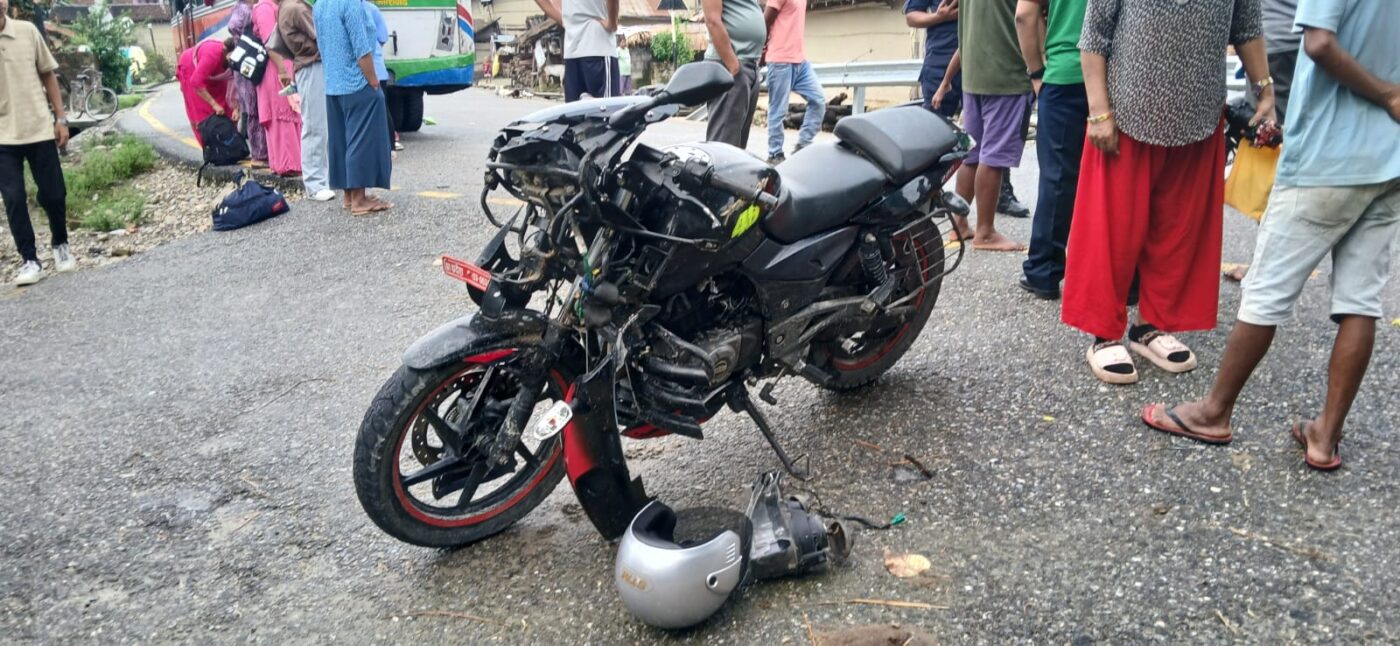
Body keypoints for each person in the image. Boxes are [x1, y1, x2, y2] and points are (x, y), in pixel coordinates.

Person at [1144, 0, 1399, 470]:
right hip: (1390, 156)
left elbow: (1318, 43)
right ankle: (1325, 436)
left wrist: (1386, 94)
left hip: (1327, 155)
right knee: (1361, 300)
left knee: (1266, 290)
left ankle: (1214, 411)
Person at [1062, 0, 1274, 385]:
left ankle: (1150, 326)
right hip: (1125, 114)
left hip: (1199, 114)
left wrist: (1265, 90)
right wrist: (1099, 112)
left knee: (1180, 229)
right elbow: (1094, 36)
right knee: (1112, 230)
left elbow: (1247, 29)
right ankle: (1103, 334)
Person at [932, 0, 1030, 252]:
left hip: (973, 77)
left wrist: (946, 81)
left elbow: (965, 35)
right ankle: (985, 232)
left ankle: (959, 223)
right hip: (1005, 75)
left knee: (972, 155)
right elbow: (1029, 16)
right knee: (993, 156)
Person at [1223, 0, 1299, 284]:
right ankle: (1280, 259)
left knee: (1268, 151)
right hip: (1313, 39)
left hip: (1271, 44)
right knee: (1294, 147)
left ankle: (1267, 266)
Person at [1015, 0, 1087, 300]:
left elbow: (1024, 15)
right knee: (1117, 179)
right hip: (1117, 77)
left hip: (1065, 74)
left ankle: (1044, 272)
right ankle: (1125, 279)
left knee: (1057, 179)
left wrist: (1036, 73)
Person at [0, 0, 73, 286]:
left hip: (39, 128)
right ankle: (29, 259)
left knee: (54, 193)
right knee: (14, 198)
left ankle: (60, 244)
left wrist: (60, 118)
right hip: (3, 136)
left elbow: (47, 74)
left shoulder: (27, 31)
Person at [313, 0, 392, 214]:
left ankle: (349, 196)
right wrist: (373, 81)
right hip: (357, 82)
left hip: (333, 84)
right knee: (362, 141)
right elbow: (362, 49)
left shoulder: (320, 5)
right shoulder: (350, 3)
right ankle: (359, 200)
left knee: (341, 142)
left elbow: (322, 45)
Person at [279, 0, 337, 201]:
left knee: (319, 126)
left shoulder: (290, 6)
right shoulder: (296, 8)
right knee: (315, 126)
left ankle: (321, 180)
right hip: (311, 65)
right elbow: (322, 36)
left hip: (309, 66)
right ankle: (315, 184)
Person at [761, 0, 823, 164]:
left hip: (800, 61)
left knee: (818, 100)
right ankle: (775, 154)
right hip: (780, 60)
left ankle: (803, 145)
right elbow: (765, 20)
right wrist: (762, 50)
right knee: (778, 110)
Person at [702, 0, 765, 148]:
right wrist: (734, 67)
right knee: (723, 146)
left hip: (748, 66)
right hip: (730, 66)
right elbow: (712, 21)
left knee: (737, 150)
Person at [533, 0, 620, 101]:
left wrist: (563, 19)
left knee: (575, 109)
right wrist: (612, 23)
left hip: (572, 51)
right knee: (605, 108)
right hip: (598, 46)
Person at [253, 0, 302, 176]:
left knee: (290, 111)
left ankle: (288, 162)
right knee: (282, 114)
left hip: (282, 67)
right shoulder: (264, 8)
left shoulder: (272, 7)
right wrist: (282, 70)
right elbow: (270, 42)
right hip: (275, 71)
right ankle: (288, 164)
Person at [176, 37, 238, 145]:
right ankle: (212, 147)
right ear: (226, 52)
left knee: (226, 107)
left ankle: (231, 144)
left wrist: (237, 108)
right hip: (191, 69)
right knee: (203, 113)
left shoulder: (230, 59)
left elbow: (236, 85)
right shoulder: (212, 55)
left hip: (214, 72)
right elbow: (195, 82)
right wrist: (214, 104)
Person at [228, 0, 267, 166]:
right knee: (254, 109)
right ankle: (260, 154)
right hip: (249, 65)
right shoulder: (245, 10)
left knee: (251, 109)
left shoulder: (239, 8)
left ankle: (259, 153)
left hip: (244, 65)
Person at [361, 0, 396, 155]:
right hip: (376, 69)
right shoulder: (371, 9)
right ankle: (389, 146)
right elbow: (382, 38)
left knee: (377, 109)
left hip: (369, 71)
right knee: (382, 109)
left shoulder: (367, 9)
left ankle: (389, 145)